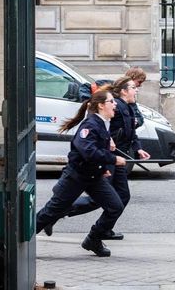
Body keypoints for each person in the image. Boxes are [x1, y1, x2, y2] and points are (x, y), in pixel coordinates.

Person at [45, 77, 151, 236]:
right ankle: (60, 213)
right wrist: (110, 142)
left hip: (117, 160)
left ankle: (104, 229)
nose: (137, 90)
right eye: (134, 87)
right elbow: (103, 130)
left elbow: (131, 131)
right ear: (124, 91)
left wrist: (138, 149)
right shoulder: (113, 107)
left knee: (122, 196)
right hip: (108, 158)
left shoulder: (128, 106)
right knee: (99, 199)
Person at [35, 89, 126, 257]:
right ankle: (23, 240)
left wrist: (102, 168)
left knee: (115, 206)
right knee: (51, 211)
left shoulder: (102, 123)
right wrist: (113, 160)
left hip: (93, 177)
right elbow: (88, 151)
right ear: (100, 105)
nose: (115, 105)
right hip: (75, 176)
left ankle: (93, 239)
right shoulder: (90, 125)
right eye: (111, 101)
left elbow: (95, 150)